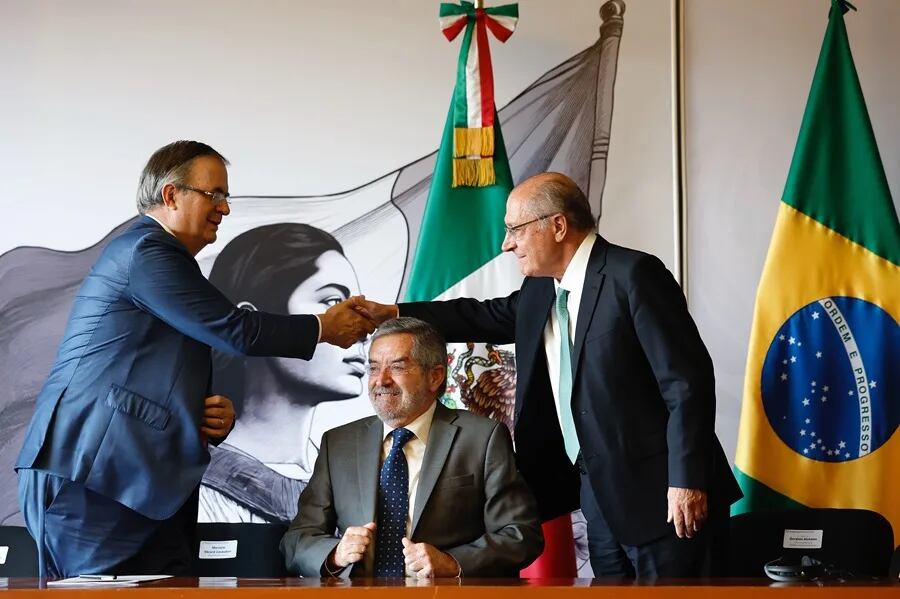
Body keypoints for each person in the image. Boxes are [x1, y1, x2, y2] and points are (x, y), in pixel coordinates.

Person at [14, 141, 375, 578]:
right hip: (98, 480)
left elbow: (152, 369)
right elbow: (236, 330)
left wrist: (206, 411)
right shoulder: (147, 252)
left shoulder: (166, 262)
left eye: (226, 196)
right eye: (214, 194)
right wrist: (323, 327)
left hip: (145, 487)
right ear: (171, 195)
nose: (223, 207)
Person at [360, 172, 742, 579]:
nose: (507, 244)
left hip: (666, 499)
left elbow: (687, 386)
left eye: (514, 230)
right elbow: (479, 315)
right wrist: (395, 314)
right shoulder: (541, 292)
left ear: (557, 226)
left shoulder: (634, 276)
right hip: (598, 499)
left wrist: (686, 481)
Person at [280, 317, 543, 578]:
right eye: (373, 368)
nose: (380, 380)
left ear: (435, 376)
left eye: (397, 367)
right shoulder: (338, 443)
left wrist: (452, 563)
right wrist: (336, 553)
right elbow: (297, 540)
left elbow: (520, 534)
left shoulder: (482, 438)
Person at [198, 223, 366, 524]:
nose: (361, 329)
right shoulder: (200, 486)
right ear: (254, 320)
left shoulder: (345, 475)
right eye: (331, 302)